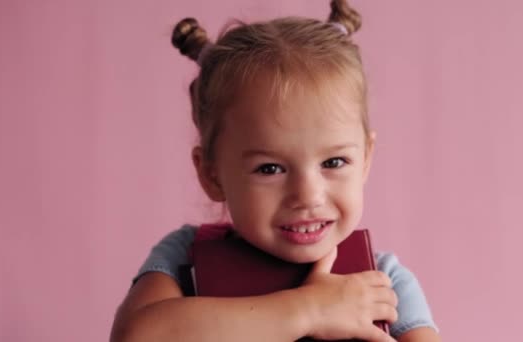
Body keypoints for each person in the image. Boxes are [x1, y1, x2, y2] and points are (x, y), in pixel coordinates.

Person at [110, 1, 440, 341]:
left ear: (366, 159)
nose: (308, 195)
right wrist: (309, 310)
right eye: (270, 168)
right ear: (212, 175)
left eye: (333, 162)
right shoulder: (185, 255)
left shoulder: (382, 280)